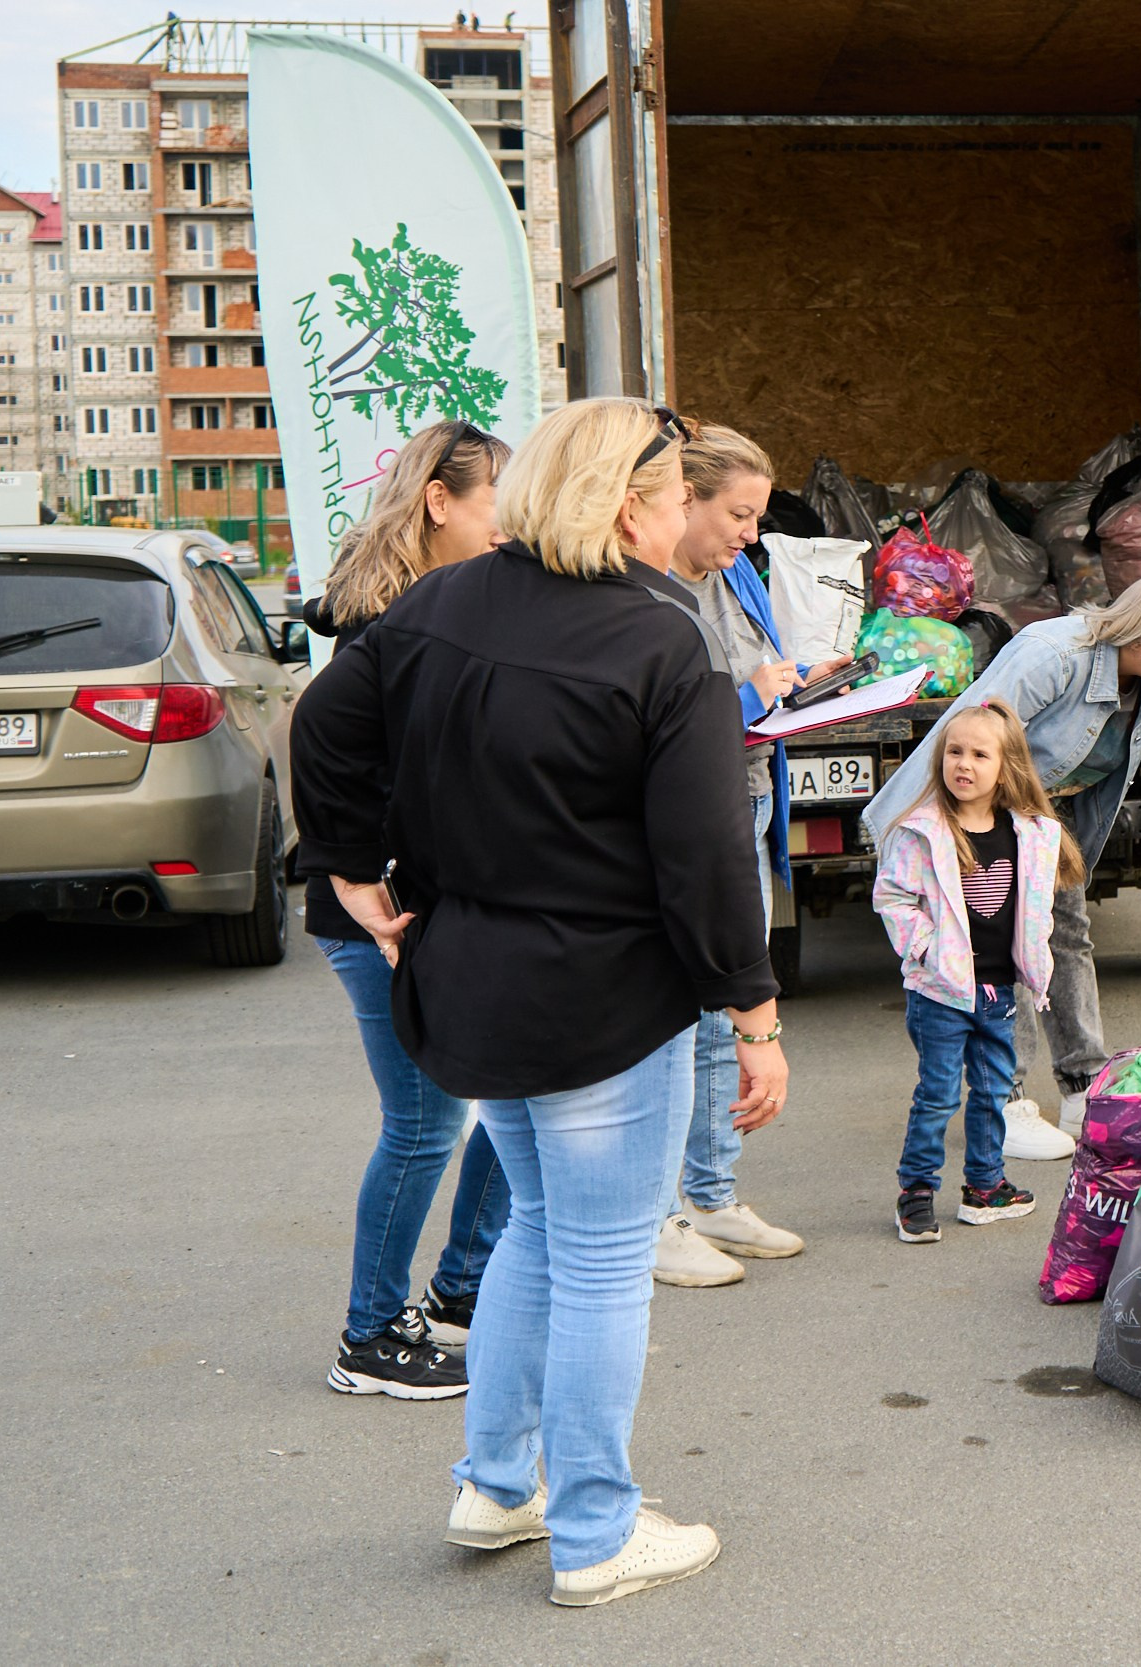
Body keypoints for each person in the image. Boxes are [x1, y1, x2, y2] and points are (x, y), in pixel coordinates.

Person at [292, 398, 787, 1607]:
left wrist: (348, 860)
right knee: (606, 1260)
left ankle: (495, 1482)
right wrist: (755, 1013)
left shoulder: (442, 602)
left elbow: (322, 719)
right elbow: (708, 856)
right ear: (629, 505)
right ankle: (595, 1531)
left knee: (535, 1233)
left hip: (470, 982)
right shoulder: (661, 640)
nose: (688, 520)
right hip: (602, 1001)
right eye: (678, 498)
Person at [862, 569, 1141, 1144]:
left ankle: (1084, 1089)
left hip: (1048, 817)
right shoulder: (1051, 654)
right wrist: (962, 836)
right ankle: (1005, 1103)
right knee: (1004, 943)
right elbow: (969, 740)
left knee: (1067, 932)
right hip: (985, 811)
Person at [303, 419, 515, 1396]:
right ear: (440, 500)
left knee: (506, 1097)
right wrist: (355, 873)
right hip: (381, 914)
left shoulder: (436, 602)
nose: (503, 527)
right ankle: (369, 1335)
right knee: (426, 1122)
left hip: (427, 901)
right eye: (492, 506)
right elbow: (327, 740)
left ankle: (464, 1286)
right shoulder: (391, 620)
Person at [651, 422, 841, 1288]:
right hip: (699, 809)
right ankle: (658, 1217)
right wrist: (747, 694)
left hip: (750, 795)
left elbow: (757, 670)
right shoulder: (651, 597)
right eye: (739, 513)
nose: (751, 535)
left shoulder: (727, 576)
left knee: (727, 1015)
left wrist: (797, 677)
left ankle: (714, 1193)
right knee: (682, 1020)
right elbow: (657, 725)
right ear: (679, 499)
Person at [874, 700, 1084, 1243]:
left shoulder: (1031, 835)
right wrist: (925, 950)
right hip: (939, 993)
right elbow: (893, 898)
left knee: (994, 1093)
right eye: (954, 752)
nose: (963, 764)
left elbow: (1040, 904)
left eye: (979, 754)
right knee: (939, 1094)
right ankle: (915, 1193)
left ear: (1006, 766)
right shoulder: (920, 831)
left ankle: (985, 1187)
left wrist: (1035, 962)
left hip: (999, 993)